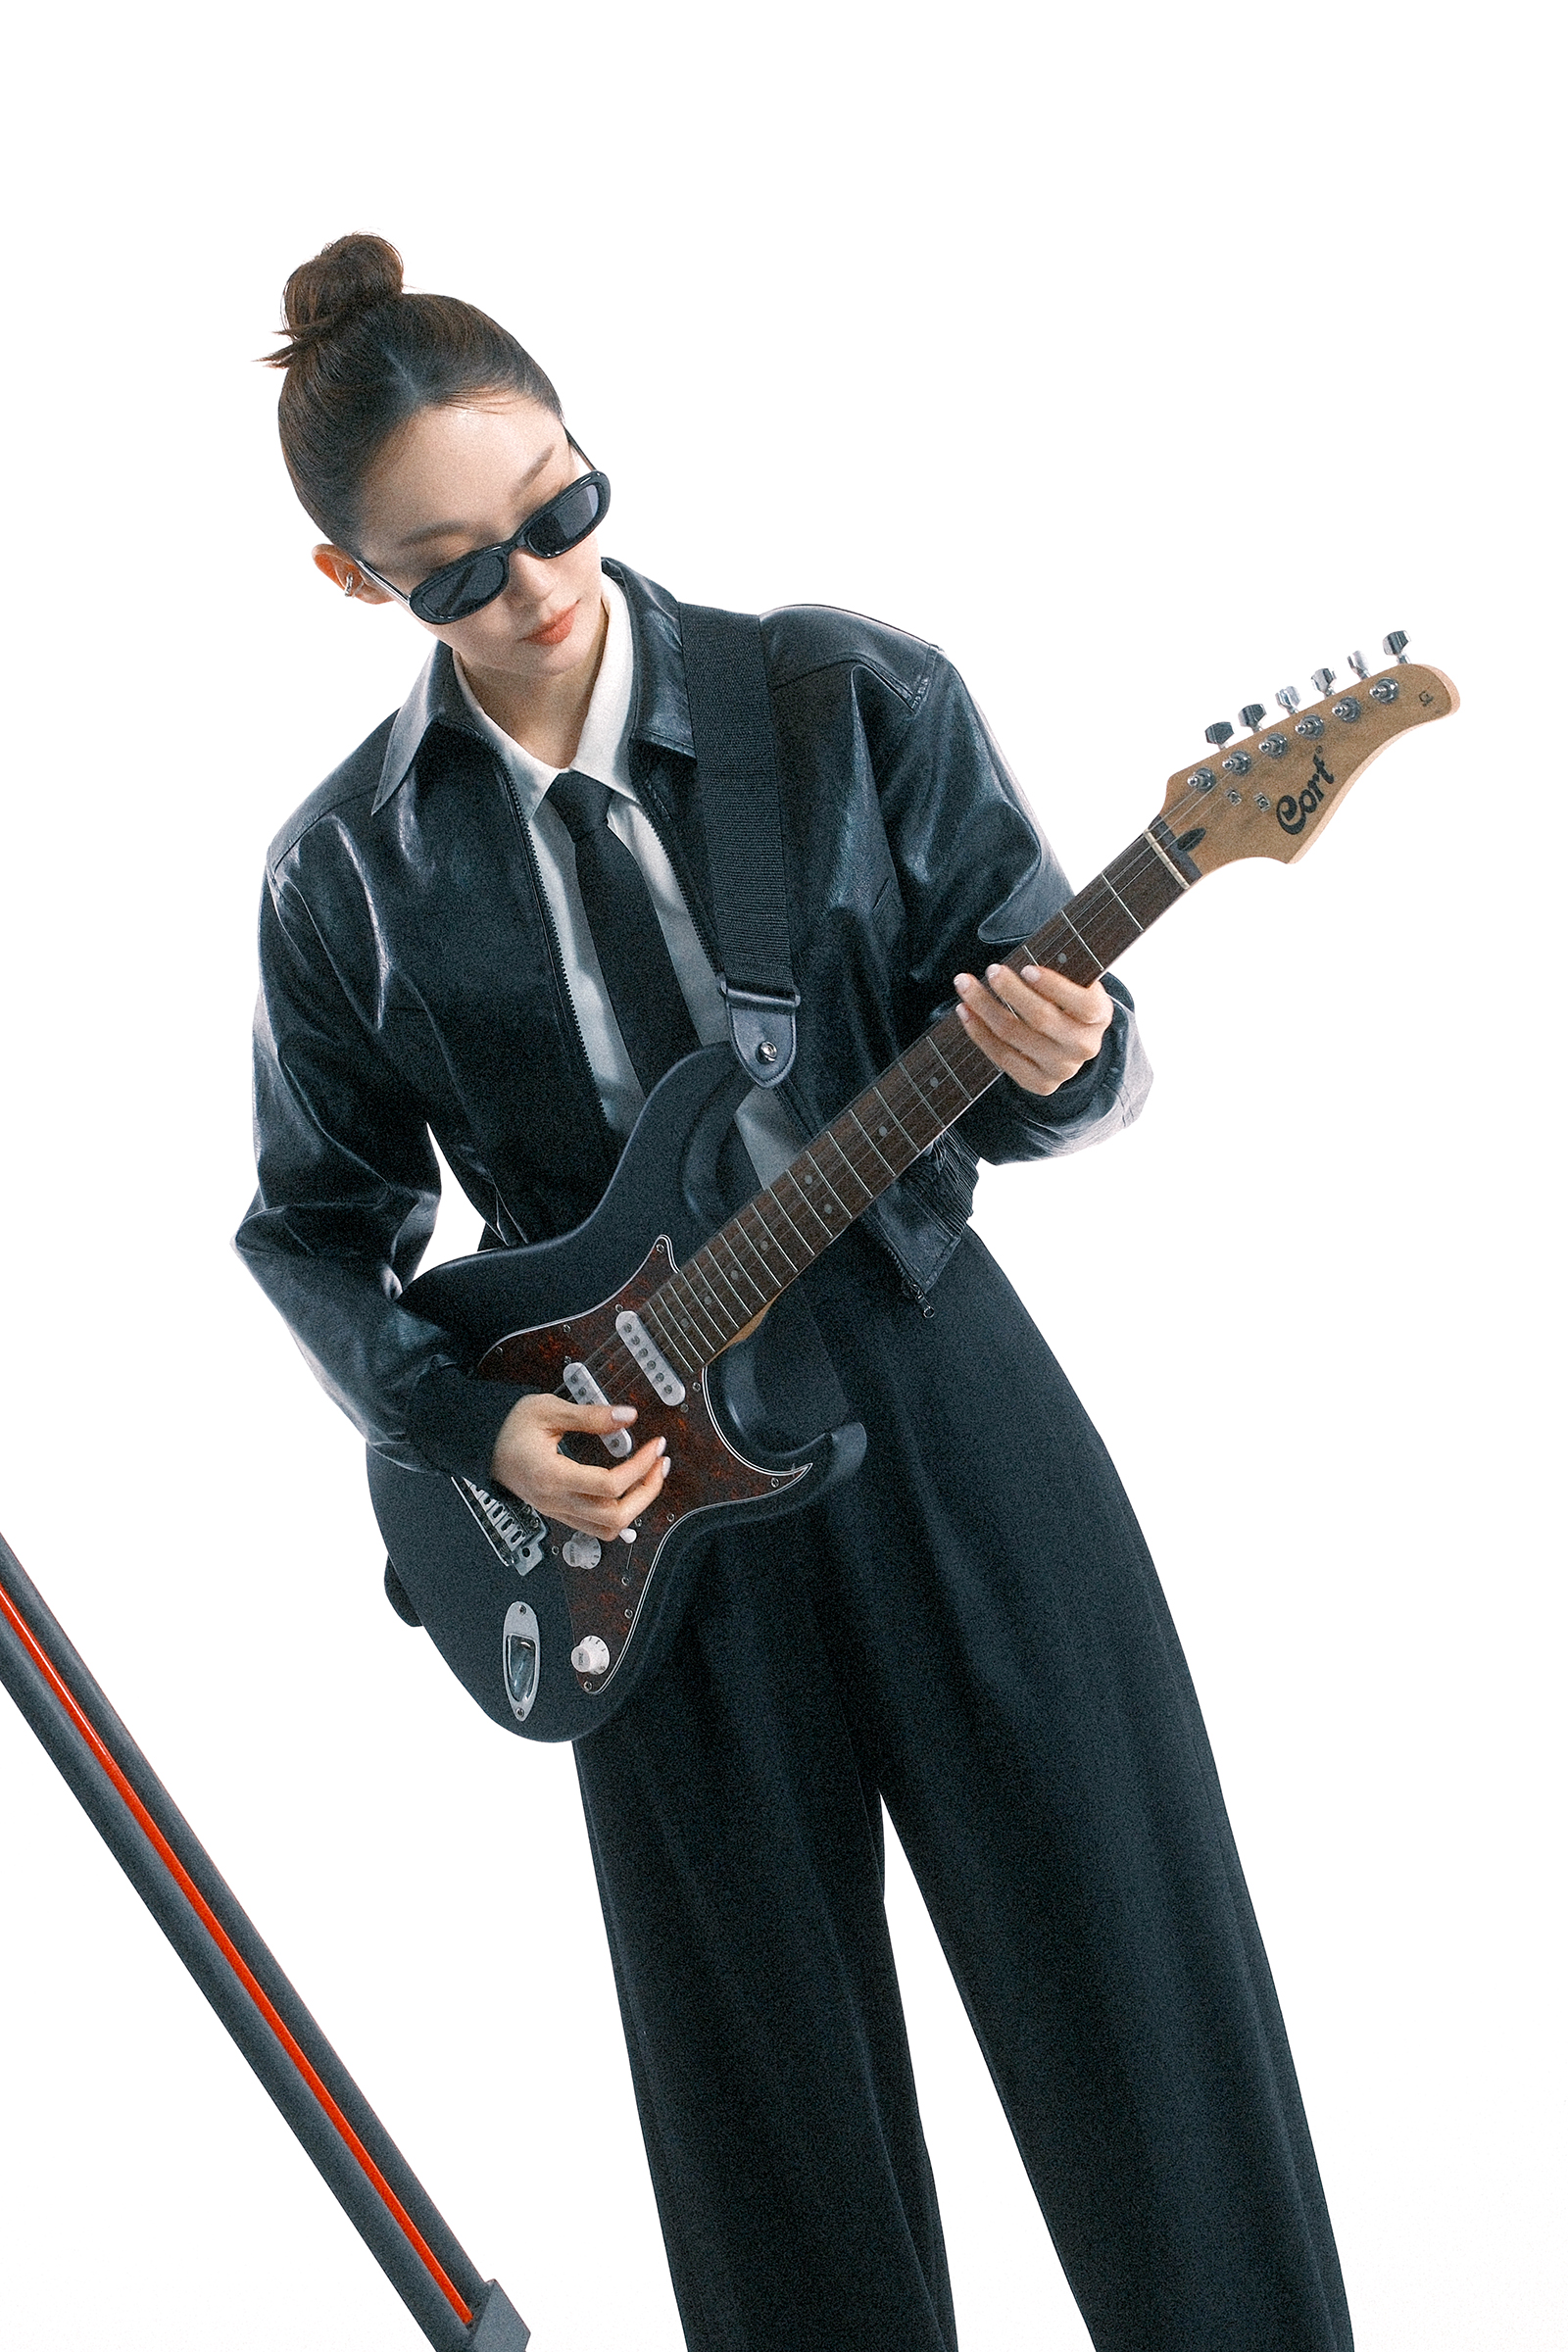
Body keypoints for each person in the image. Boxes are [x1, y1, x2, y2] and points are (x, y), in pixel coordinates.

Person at [237, 232, 1354, 2352]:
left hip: (929, 1380)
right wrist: (478, 1422)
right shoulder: (343, 872)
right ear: (353, 582)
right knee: (764, 2114)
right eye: (455, 571)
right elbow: (312, 1225)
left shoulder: (843, 696)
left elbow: (1065, 1064)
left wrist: (1062, 1054)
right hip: (626, 1505)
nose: (537, 587)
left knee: (1132, 1981)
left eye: (561, 507)